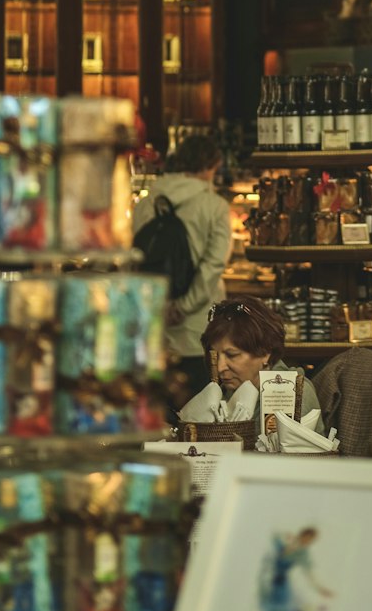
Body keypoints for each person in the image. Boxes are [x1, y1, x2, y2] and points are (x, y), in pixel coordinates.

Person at [133, 133, 230, 404]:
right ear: (210, 167)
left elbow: (135, 258)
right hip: (197, 327)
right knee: (198, 410)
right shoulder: (215, 206)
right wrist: (184, 306)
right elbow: (214, 265)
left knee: (158, 410)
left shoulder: (146, 203)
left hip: (153, 322)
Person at [178, 296, 324, 435]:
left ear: (266, 352)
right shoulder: (225, 395)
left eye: (232, 355)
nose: (220, 367)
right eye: (215, 357)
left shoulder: (293, 394)